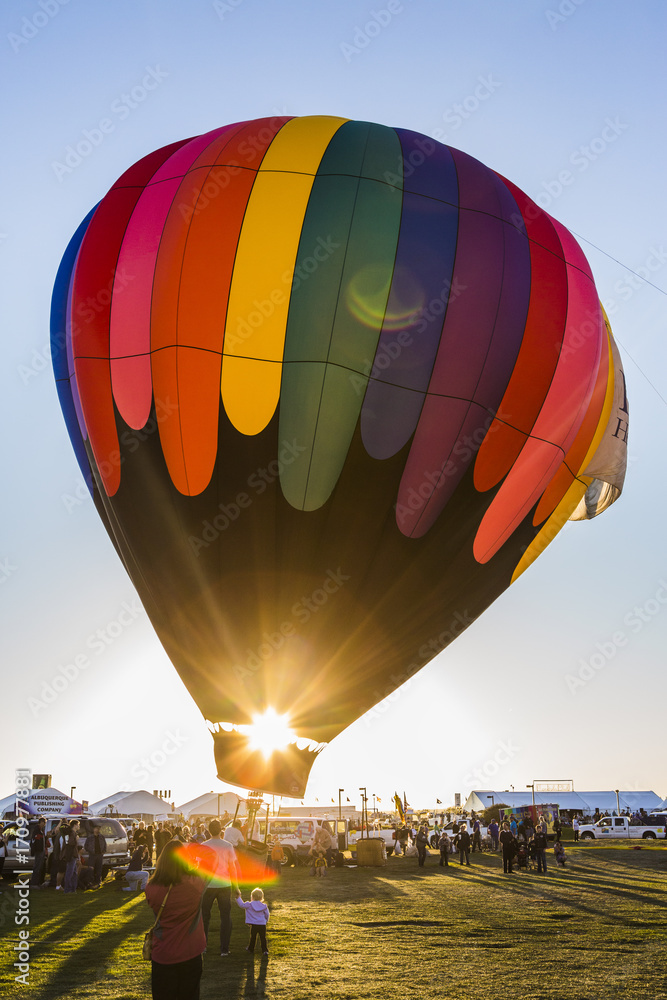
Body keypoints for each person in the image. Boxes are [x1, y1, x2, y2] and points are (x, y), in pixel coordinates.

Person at [145, 839, 210, 1000]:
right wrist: (190, 847)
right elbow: (211, 857)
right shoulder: (195, 883)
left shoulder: (151, 888)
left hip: (163, 953)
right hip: (191, 951)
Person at [201, 819, 241, 956]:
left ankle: (203, 946)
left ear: (209, 830)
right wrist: (236, 886)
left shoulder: (204, 846)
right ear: (221, 830)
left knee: (204, 916)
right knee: (225, 917)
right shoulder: (227, 846)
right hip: (224, 884)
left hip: (208, 885)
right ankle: (224, 948)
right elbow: (232, 868)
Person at [236, 887, 270, 955]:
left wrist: (238, 897)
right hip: (262, 924)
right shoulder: (264, 906)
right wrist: (266, 920)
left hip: (254, 924)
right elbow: (267, 914)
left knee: (253, 937)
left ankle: (251, 949)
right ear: (261, 897)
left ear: (252, 896)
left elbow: (241, 905)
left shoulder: (249, 904)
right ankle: (265, 950)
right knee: (263, 938)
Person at [29, 817, 48, 886]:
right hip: (38, 851)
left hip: (41, 851)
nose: (45, 824)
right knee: (37, 867)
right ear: (41, 822)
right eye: (44, 822)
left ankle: (38, 882)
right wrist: (35, 850)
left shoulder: (41, 830)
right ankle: (34, 883)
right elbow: (34, 841)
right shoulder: (37, 830)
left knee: (40, 867)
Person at [63, 827, 80, 893]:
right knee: (70, 872)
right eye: (78, 825)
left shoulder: (72, 833)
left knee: (74, 873)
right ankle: (67, 889)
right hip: (72, 855)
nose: (79, 826)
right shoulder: (71, 833)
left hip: (73, 854)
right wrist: (76, 839)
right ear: (75, 825)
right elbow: (70, 843)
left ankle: (73, 888)